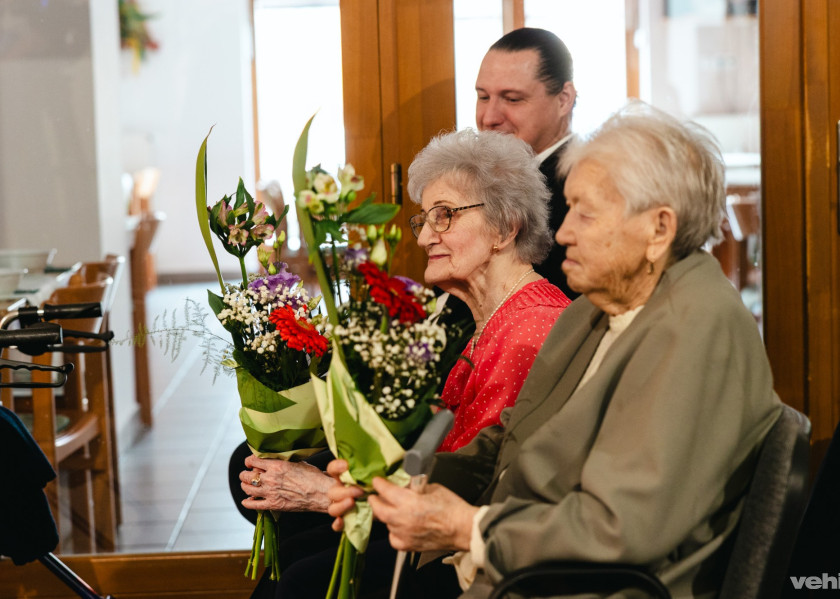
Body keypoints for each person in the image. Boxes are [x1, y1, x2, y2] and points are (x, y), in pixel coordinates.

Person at [327, 101, 784, 599]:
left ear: (659, 229)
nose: (563, 232)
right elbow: (511, 439)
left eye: (585, 214)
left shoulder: (692, 329)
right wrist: (399, 482)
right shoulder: (594, 308)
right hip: (527, 562)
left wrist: (467, 527)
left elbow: (618, 529)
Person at [235, 129, 571, 597]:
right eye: (424, 220)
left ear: (505, 227)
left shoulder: (527, 330)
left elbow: (477, 488)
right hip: (429, 525)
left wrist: (326, 494)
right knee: (292, 552)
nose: (427, 236)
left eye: (445, 215)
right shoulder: (491, 317)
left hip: (470, 558)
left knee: (299, 580)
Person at [475, 27, 578, 299]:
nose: (489, 117)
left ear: (563, 99)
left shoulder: (580, 187)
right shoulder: (483, 179)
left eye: (512, 99)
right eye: (483, 97)